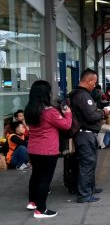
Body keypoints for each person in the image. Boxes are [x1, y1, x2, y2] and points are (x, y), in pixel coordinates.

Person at [24, 80, 72, 218]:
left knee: (36, 176)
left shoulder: (29, 110)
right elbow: (66, 125)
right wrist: (67, 112)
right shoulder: (49, 112)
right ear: (46, 94)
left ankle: (32, 202)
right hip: (48, 151)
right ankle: (41, 209)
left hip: (33, 149)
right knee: (45, 179)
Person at [70, 68, 110, 203]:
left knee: (90, 163)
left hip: (84, 134)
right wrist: (103, 113)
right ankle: (84, 194)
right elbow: (91, 115)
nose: (95, 86)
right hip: (85, 134)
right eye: (94, 83)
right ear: (89, 81)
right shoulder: (83, 95)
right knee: (87, 163)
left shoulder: (76, 94)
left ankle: (90, 188)